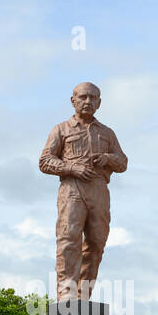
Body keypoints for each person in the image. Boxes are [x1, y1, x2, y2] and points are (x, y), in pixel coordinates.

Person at [39, 82, 128, 303]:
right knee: (69, 239)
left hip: (98, 189)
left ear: (99, 103)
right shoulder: (61, 129)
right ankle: (66, 295)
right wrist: (71, 167)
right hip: (72, 189)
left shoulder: (107, 133)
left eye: (92, 98)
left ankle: (83, 295)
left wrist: (107, 158)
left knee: (97, 242)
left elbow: (123, 162)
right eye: (83, 97)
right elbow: (45, 161)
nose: (87, 101)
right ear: (73, 100)